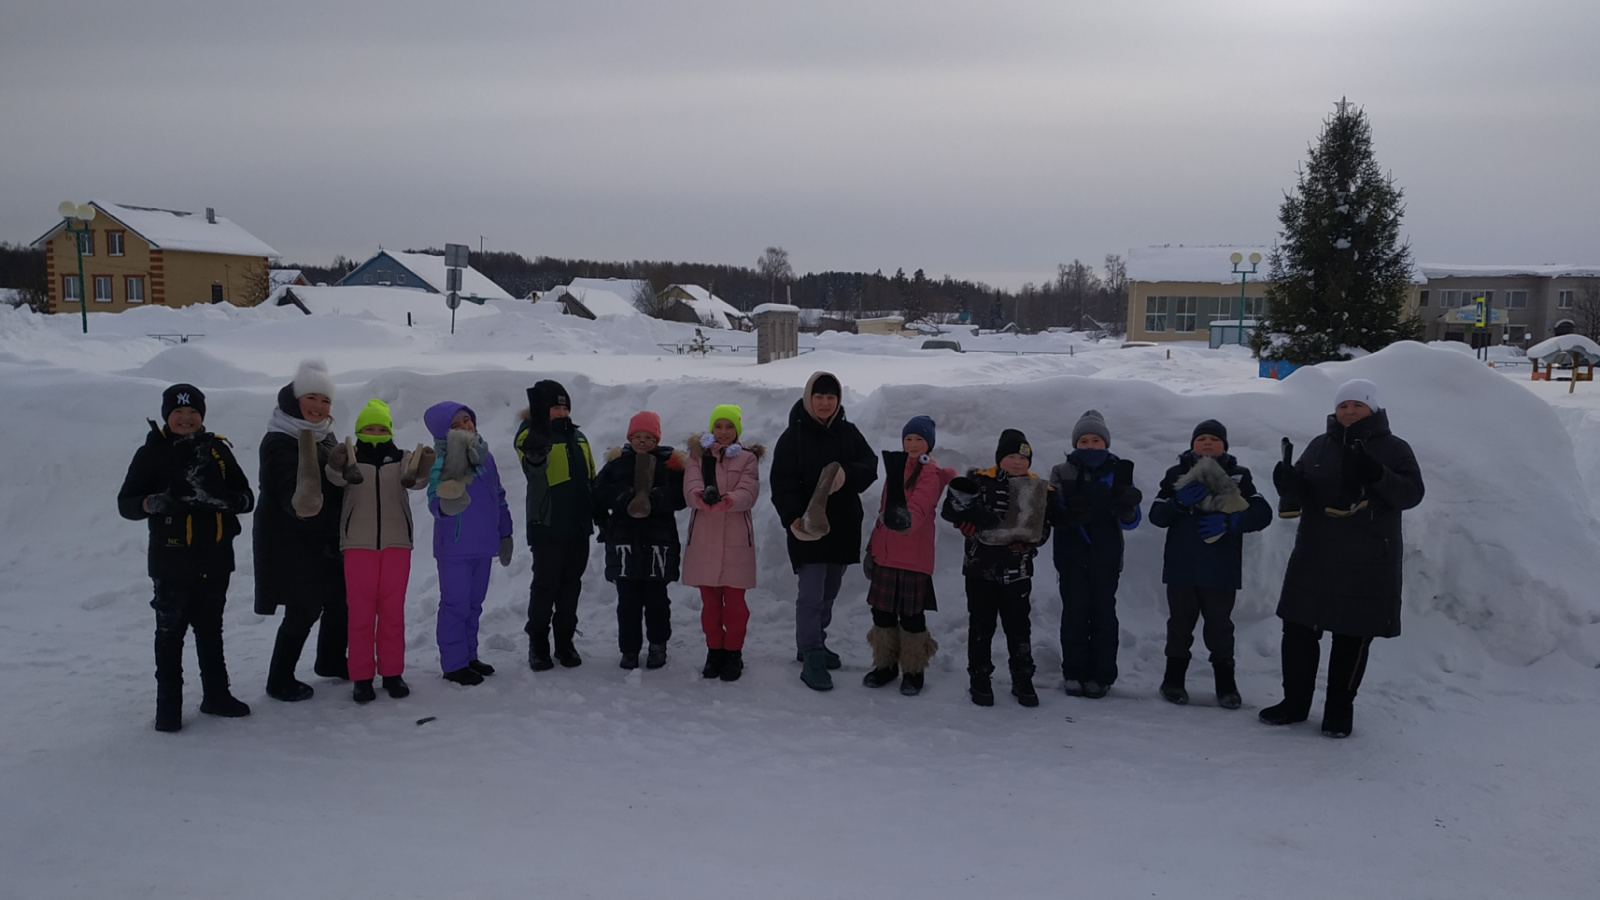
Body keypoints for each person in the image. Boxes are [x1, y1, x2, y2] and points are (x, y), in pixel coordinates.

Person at [1261, 379, 1424, 738]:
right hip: (1315, 554)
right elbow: (1304, 490)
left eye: (1357, 405)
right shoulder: (1320, 445)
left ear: (1374, 409)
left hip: (1367, 559)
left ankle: (1339, 709)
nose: (1349, 411)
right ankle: (1295, 703)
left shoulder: (1394, 448)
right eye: (1343, 406)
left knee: (1351, 638)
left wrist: (1377, 474)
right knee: (1299, 630)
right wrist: (1288, 482)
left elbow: (1411, 494)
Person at [117, 384, 255, 731]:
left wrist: (228, 502)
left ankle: (216, 696)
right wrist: (150, 504)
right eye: (178, 412)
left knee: (210, 629)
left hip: (215, 558)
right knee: (170, 633)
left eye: (193, 412)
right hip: (171, 560)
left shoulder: (218, 450)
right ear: (167, 416)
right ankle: (168, 709)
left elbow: (246, 495)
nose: (186, 418)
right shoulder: (151, 453)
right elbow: (126, 503)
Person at [1147, 419, 1272, 709]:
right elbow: (1156, 515)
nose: (1207, 443)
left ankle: (1226, 685)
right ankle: (1173, 680)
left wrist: (1231, 520)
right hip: (1182, 568)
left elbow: (1262, 513)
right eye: (1201, 438)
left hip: (1221, 569)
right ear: (1192, 444)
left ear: (1224, 446)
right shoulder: (1176, 474)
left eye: (1214, 439)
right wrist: (1177, 503)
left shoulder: (1239, 476)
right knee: (1179, 626)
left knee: (1219, 629)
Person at [769, 371, 878, 691]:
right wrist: (792, 518)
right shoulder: (793, 437)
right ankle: (812, 651)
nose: (825, 403)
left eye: (831, 397)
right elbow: (782, 483)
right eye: (819, 396)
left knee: (829, 592)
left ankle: (814, 643)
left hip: (843, 525)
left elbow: (869, 465)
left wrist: (847, 474)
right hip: (807, 527)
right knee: (811, 594)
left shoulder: (849, 432)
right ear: (809, 397)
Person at [255, 360, 348, 702]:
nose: (319, 407)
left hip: (326, 536)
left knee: (341, 601)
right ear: (294, 399)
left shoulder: (325, 435)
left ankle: (331, 660)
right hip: (290, 539)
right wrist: (301, 502)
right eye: (312, 397)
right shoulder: (279, 439)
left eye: (325, 401)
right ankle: (279, 678)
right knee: (303, 608)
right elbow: (284, 486)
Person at [325, 399, 429, 703]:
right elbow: (333, 479)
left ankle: (393, 673)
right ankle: (362, 677)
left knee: (392, 613)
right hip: (358, 545)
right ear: (359, 429)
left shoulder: (402, 457)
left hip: (397, 544)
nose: (375, 431)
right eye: (369, 427)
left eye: (381, 427)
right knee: (360, 614)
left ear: (390, 430)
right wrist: (335, 463)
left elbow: (419, 481)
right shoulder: (350, 457)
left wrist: (425, 464)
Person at [943, 429, 1052, 707]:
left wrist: (1032, 543)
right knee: (981, 625)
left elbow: (1043, 526)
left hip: (1018, 572)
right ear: (999, 458)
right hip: (981, 569)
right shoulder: (980, 481)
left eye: (1023, 458)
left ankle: (1023, 677)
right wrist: (964, 521)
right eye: (1011, 456)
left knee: (1019, 627)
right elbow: (955, 508)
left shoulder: (1036, 487)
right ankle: (979, 676)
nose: (1017, 462)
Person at [1049, 409, 1142, 699]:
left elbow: (1132, 521)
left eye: (1095, 441)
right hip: (1071, 555)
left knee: (1103, 615)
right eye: (1084, 441)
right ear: (1076, 443)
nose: (1089, 446)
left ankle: (1101, 675)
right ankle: (1074, 672)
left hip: (1107, 555)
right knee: (1074, 613)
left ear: (1106, 443)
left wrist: (1126, 506)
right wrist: (1066, 514)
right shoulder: (1061, 471)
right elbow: (1050, 511)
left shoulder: (1119, 471)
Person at [861, 416, 955, 696]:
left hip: (913, 557)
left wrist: (903, 522)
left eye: (919, 440)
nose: (913, 444)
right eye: (908, 439)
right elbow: (883, 509)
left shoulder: (931, 474)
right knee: (882, 613)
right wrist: (872, 548)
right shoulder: (897, 467)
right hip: (886, 554)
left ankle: (913, 670)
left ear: (929, 444)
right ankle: (885, 665)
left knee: (912, 616)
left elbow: (919, 507)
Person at [425, 401, 514, 687]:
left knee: (474, 605)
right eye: (456, 425)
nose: (465, 427)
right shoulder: (442, 459)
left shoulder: (485, 458)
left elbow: (498, 496)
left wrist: (505, 533)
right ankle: (454, 664)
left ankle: (469, 656)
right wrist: (444, 504)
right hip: (455, 547)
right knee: (455, 606)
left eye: (467, 420)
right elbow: (433, 499)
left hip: (483, 545)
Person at [593, 412, 686, 670]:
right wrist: (622, 499)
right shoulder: (617, 463)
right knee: (628, 602)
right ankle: (629, 649)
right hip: (624, 543)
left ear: (657, 438)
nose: (642, 442)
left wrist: (656, 500)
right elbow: (598, 491)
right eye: (637, 437)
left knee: (657, 600)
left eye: (648, 437)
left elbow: (682, 496)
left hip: (659, 543)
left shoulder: (671, 464)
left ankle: (658, 644)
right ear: (629, 438)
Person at [514, 380, 596, 671]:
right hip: (547, 524)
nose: (561, 412)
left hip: (578, 526)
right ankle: (537, 643)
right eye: (555, 407)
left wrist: (599, 514)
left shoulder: (579, 438)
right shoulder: (531, 435)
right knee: (545, 586)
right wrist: (536, 455)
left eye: (565, 407)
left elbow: (590, 480)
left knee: (571, 586)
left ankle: (564, 641)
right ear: (542, 410)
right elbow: (531, 465)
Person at [682, 404, 764, 682]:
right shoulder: (698, 456)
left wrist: (728, 500)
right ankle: (714, 650)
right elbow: (690, 486)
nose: (724, 432)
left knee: (736, 606)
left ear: (737, 430)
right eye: (718, 426)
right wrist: (700, 497)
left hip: (736, 541)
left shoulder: (747, 459)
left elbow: (748, 490)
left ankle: (733, 652)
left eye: (730, 427)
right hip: (704, 540)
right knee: (711, 604)